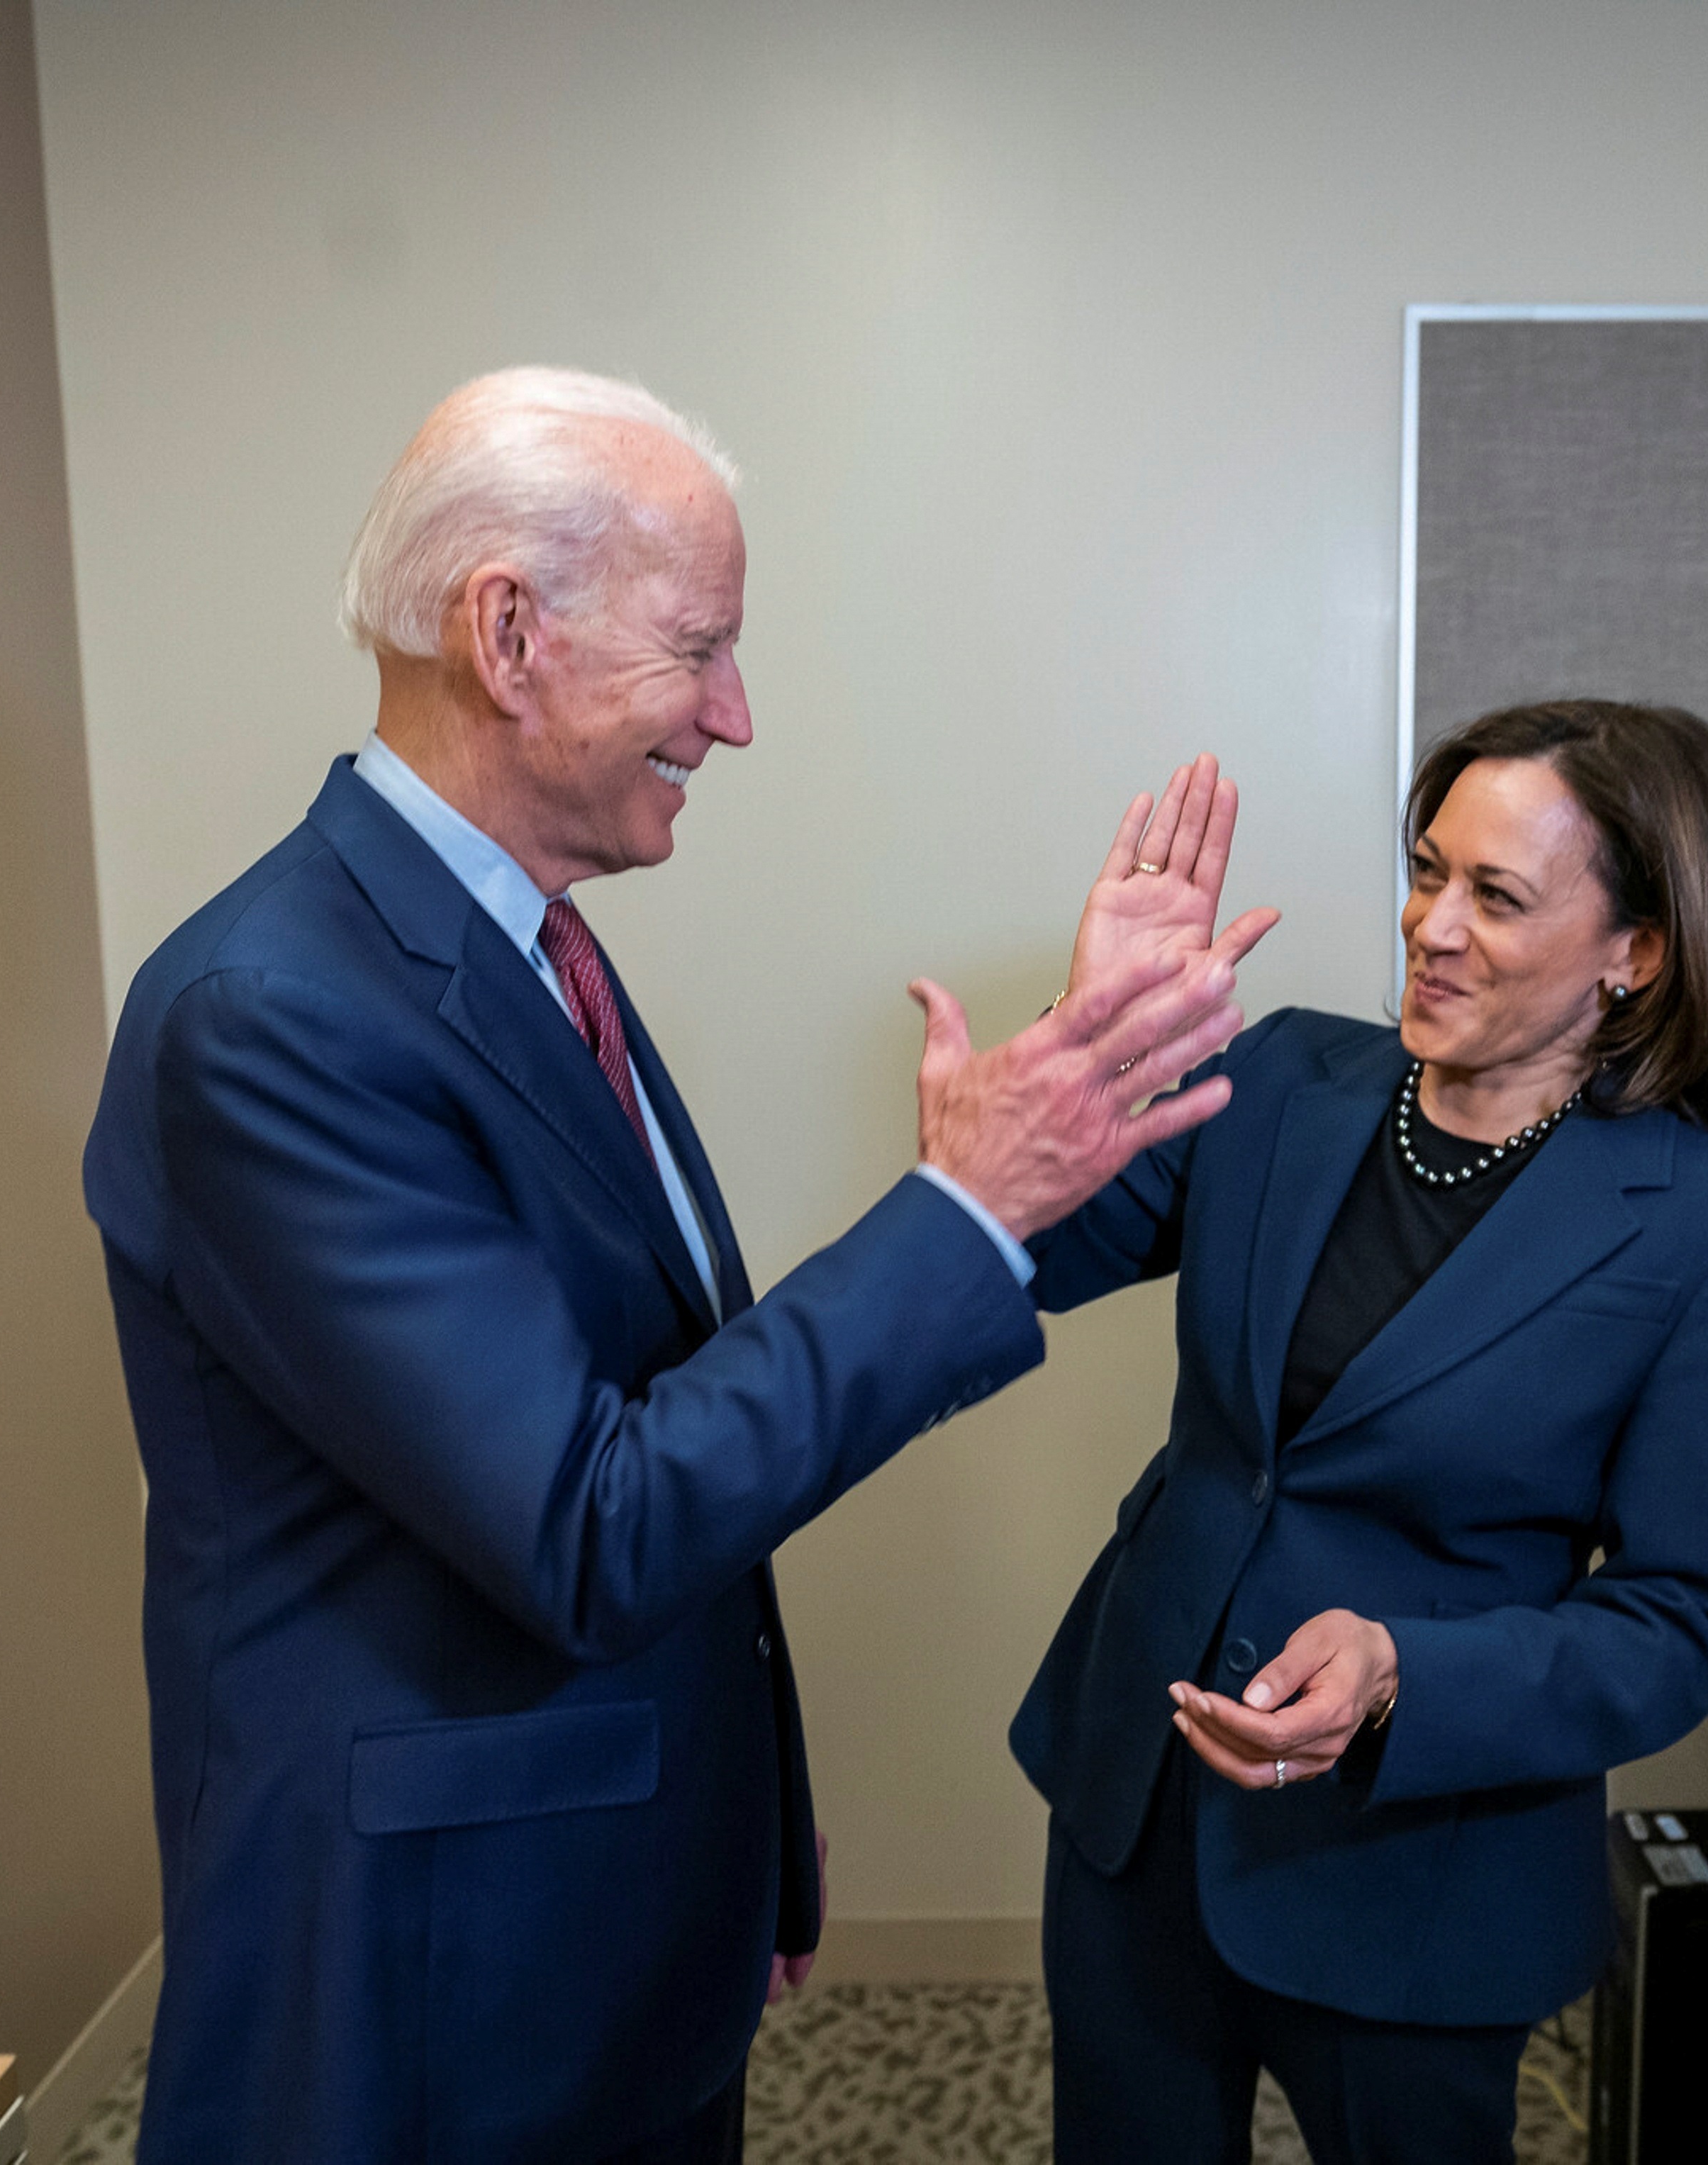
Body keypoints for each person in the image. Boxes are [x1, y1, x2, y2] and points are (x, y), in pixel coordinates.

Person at [82, 367, 1270, 2165]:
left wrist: (746, 1827)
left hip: (609, 1902)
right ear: (509, 633)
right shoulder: (274, 1019)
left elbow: (642, 1407)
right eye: (700, 648)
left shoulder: (521, 942)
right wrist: (961, 1208)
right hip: (427, 1982)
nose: (734, 716)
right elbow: (592, 1521)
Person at [1011, 698, 1708, 2164]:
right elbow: (1026, 1261)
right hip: (1140, 1802)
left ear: (1634, 953)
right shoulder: (1276, 1085)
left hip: (1415, 1870)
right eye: (1425, 870)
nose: (1428, 925)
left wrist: (1404, 1673)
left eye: (1494, 896)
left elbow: (1681, 1619)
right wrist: (1091, 1045)